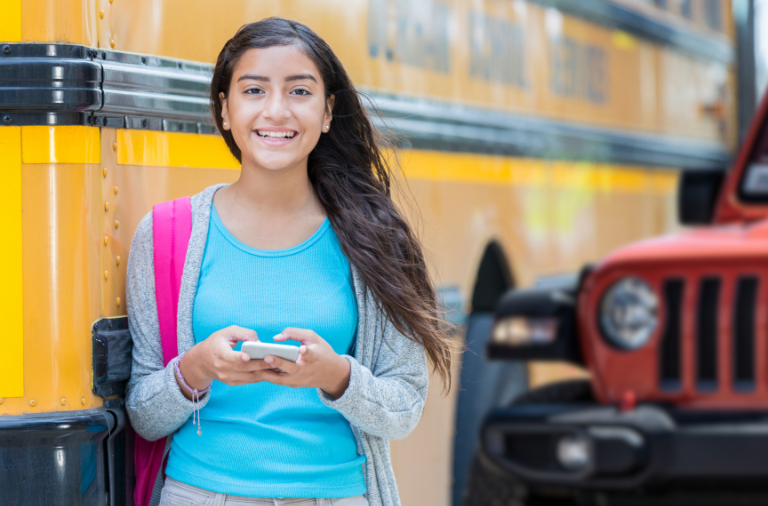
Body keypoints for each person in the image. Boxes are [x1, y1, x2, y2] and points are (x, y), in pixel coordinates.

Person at [125, 17, 453, 506]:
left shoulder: (373, 238)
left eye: (299, 91)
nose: (276, 111)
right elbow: (143, 415)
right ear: (225, 109)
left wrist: (335, 376)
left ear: (327, 112)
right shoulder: (166, 234)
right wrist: (195, 367)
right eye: (254, 90)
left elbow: (404, 406)